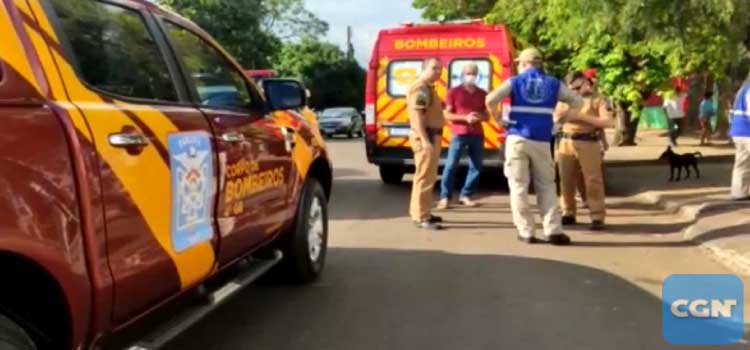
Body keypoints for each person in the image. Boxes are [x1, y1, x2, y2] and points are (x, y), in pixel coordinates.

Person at [485, 48, 598, 245]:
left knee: (518, 186)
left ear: (523, 64)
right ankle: (553, 230)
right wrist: (560, 122)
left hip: (517, 138)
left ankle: (526, 232)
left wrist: (498, 120)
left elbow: (490, 99)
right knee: (546, 185)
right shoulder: (553, 83)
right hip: (542, 140)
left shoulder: (515, 81)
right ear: (540, 63)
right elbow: (577, 102)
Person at [555, 71, 614, 231]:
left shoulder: (597, 99)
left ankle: (597, 215)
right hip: (566, 140)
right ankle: (568, 212)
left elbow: (607, 122)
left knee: (593, 180)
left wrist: (581, 117)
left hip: (588, 141)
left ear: (586, 83)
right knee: (566, 179)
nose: (574, 92)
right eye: (570, 89)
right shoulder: (564, 99)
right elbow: (556, 118)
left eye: (577, 87)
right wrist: (564, 116)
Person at [438, 63, 488, 209]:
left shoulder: (482, 94)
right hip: (459, 134)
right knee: (451, 165)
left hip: (477, 134)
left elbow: (487, 115)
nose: (471, 76)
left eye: (473, 73)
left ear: (478, 75)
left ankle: (466, 195)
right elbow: (447, 114)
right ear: (462, 74)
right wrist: (465, 118)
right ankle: (445, 197)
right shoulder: (453, 92)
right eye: (468, 73)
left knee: (476, 166)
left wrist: (479, 116)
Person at [407, 58, 447, 230]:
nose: (438, 72)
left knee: (429, 177)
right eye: (434, 68)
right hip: (426, 137)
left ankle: (425, 212)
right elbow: (417, 117)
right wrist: (424, 140)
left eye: (440, 69)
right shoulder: (420, 87)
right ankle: (421, 217)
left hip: (433, 136)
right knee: (423, 178)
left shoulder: (428, 87)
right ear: (424, 68)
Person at [730, 76, 750, 201]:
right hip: (747, 132)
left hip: (738, 131)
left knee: (742, 163)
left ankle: (739, 193)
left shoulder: (743, 90)